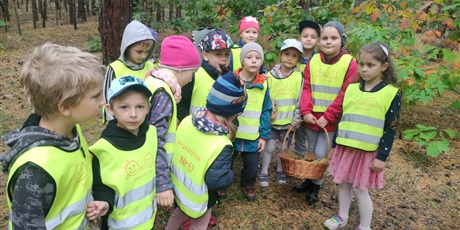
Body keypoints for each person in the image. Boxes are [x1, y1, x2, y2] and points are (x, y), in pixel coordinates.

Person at [1, 43, 107, 229]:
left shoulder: (72, 132)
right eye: (96, 96)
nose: (103, 101)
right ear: (65, 107)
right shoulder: (35, 170)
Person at [323, 42, 401, 230]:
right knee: (342, 183)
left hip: (368, 151)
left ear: (384, 67)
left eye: (370, 65)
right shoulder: (351, 89)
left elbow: (391, 128)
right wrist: (336, 143)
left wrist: (382, 156)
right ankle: (342, 216)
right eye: (362, 64)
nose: (364, 69)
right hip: (346, 147)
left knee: (360, 188)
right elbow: (344, 116)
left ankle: (365, 226)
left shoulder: (391, 93)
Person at [90, 76, 174, 229]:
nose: (133, 114)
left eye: (140, 107)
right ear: (110, 109)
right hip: (119, 225)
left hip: (147, 219)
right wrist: (103, 202)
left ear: (149, 107)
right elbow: (100, 186)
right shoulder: (103, 149)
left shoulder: (152, 133)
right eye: (124, 107)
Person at [165, 73, 247, 230]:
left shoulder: (188, 121)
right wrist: (230, 176)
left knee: (178, 215)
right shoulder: (222, 144)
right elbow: (217, 181)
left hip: (179, 188)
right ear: (232, 113)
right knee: (199, 225)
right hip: (199, 197)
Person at [295, 21, 359, 204]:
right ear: (319, 41)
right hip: (311, 117)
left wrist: (328, 116)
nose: (328, 42)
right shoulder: (314, 60)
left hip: (329, 120)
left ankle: (316, 185)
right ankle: (308, 180)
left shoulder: (350, 63)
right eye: (324, 38)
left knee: (322, 153)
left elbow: (345, 93)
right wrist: (306, 111)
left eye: (334, 38)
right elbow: (306, 87)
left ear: (342, 40)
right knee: (311, 151)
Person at [144, 35, 201, 165]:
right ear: (180, 69)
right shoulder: (164, 94)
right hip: (157, 166)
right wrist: (163, 181)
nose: (191, 79)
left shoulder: (153, 80)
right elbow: (158, 140)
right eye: (192, 73)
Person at [259, 38, 304, 187]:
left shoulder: (298, 77)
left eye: (294, 55)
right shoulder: (270, 75)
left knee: (283, 148)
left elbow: (299, 100)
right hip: (272, 122)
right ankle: (263, 172)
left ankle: (281, 170)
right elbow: (265, 97)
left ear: (298, 59)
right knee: (269, 147)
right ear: (281, 55)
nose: (290, 58)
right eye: (287, 54)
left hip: (288, 123)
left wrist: (295, 121)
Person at [233, 42, 272, 201]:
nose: (254, 60)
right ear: (242, 60)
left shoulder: (263, 83)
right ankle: (221, 185)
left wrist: (263, 136)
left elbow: (266, 110)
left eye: (258, 57)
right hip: (232, 134)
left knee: (252, 167)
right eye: (249, 57)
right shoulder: (232, 80)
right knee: (224, 162)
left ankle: (247, 184)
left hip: (252, 136)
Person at [102, 20, 156, 122]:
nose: (143, 56)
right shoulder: (115, 68)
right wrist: (114, 122)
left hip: (147, 121)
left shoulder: (151, 66)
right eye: (139, 51)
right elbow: (107, 98)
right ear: (127, 47)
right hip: (121, 124)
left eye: (147, 52)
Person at [177, 29, 234, 121]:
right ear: (205, 55)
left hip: (221, 131)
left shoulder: (230, 79)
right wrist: (189, 122)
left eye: (227, 54)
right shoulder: (195, 76)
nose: (224, 58)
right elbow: (180, 104)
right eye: (218, 54)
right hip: (195, 130)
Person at [292, 19, 322, 166]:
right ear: (300, 38)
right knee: (287, 131)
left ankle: (298, 160)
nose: (308, 39)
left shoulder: (319, 60)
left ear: (318, 41)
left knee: (303, 134)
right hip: (291, 102)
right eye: (305, 36)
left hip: (308, 105)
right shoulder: (293, 57)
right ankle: (284, 161)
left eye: (313, 37)